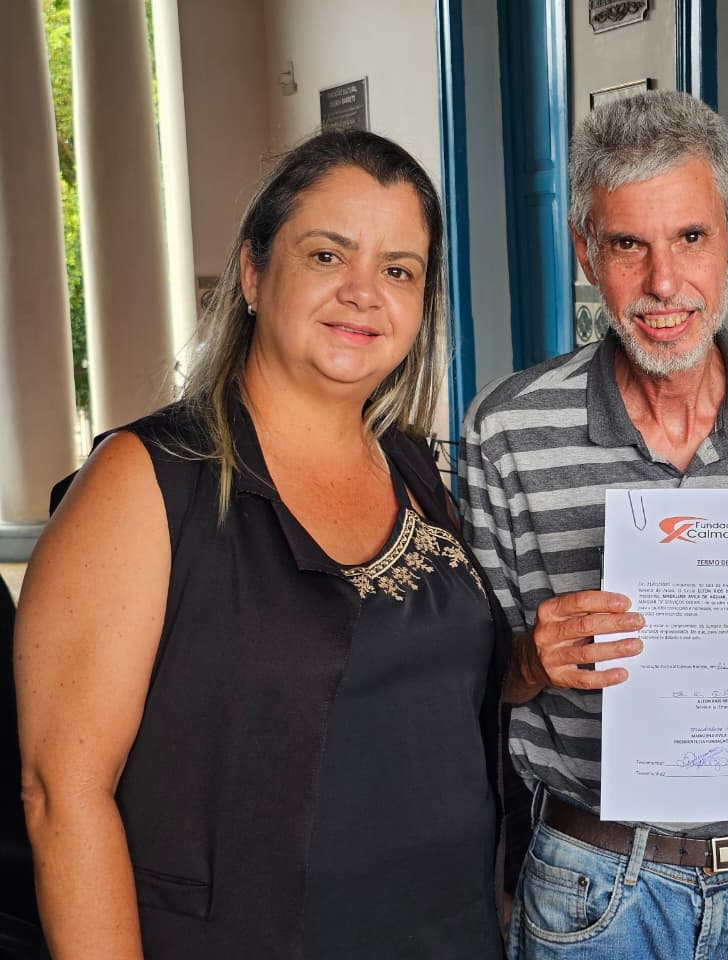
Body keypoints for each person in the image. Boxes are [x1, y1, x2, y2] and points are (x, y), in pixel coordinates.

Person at [15, 130, 509, 958]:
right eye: (327, 256)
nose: (363, 293)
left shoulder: (415, 468)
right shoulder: (145, 480)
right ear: (252, 272)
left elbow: (430, 710)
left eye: (398, 271)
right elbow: (61, 794)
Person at [460, 90, 728, 959]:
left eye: (690, 237)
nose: (662, 283)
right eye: (627, 245)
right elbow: (470, 684)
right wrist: (530, 661)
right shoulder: (507, 430)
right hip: (594, 883)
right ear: (586, 252)